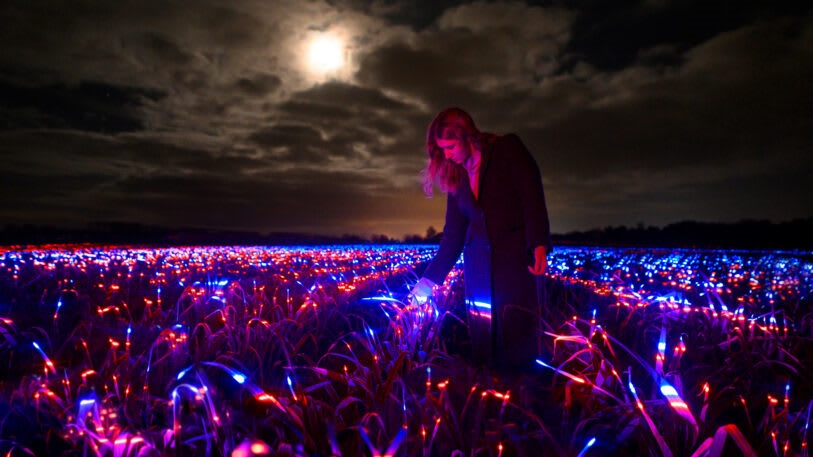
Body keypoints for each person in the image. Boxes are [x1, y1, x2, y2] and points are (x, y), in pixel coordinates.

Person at [410, 107, 552, 372]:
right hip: (477, 271)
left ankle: (522, 394)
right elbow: (453, 236)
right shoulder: (456, 178)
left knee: (517, 334)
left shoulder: (507, 149)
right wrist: (428, 282)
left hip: (515, 264)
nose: (447, 155)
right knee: (485, 339)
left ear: (467, 135)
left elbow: (531, 196)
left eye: (450, 146)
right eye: (442, 149)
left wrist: (539, 244)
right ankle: (488, 394)